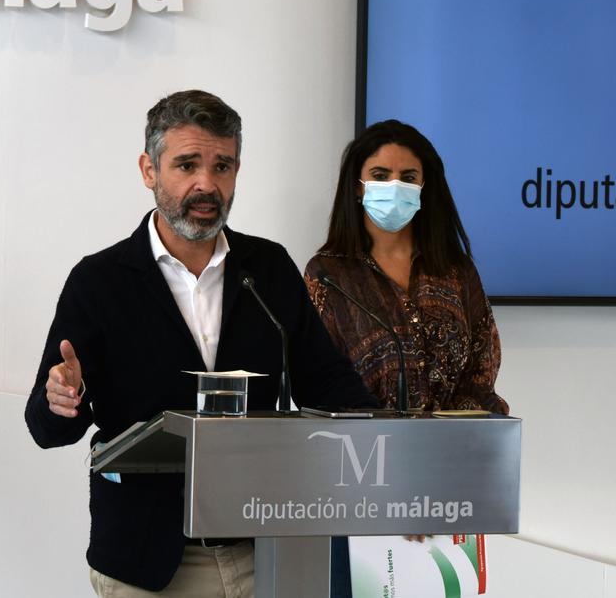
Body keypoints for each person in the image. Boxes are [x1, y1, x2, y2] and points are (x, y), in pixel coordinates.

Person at [25, 90, 377, 597]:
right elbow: (46, 428)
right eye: (187, 164)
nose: (206, 184)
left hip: (264, 548)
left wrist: (391, 440)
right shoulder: (99, 281)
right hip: (148, 563)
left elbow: (325, 381)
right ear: (149, 170)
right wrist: (62, 400)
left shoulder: (268, 269)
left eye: (223, 166)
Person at [304, 119, 508, 415]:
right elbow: (317, 376)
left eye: (408, 177)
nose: (395, 186)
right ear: (358, 187)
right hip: (361, 450)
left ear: (424, 187)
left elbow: (481, 367)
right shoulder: (327, 276)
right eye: (380, 175)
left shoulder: (456, 271)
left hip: (453, 449)